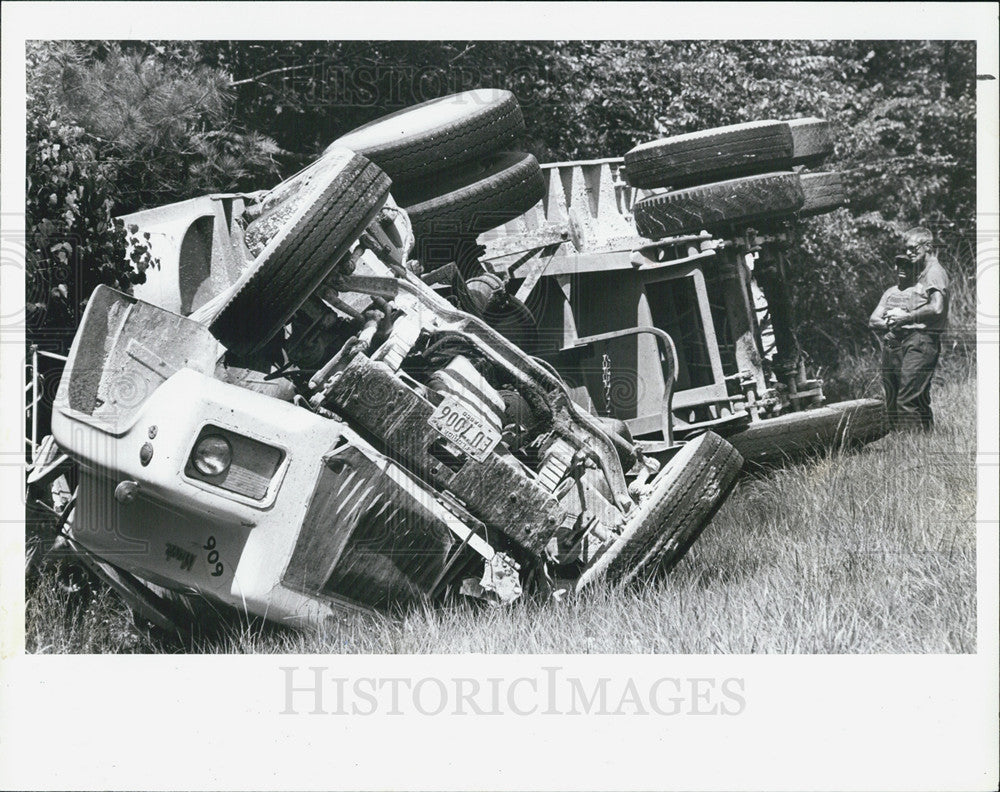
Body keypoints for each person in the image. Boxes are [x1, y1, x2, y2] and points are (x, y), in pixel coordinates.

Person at [869, 227, 949, 431]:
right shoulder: (924, 274)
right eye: (907, 249)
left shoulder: (933, 272)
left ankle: (909, 444)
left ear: (928, 247)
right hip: (915, 339)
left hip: (923, 339)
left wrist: (907, 317)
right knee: (917, 397)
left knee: (906, 399)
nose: (909, 253)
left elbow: (937, 307)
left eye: (913, 249)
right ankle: (926, 439)